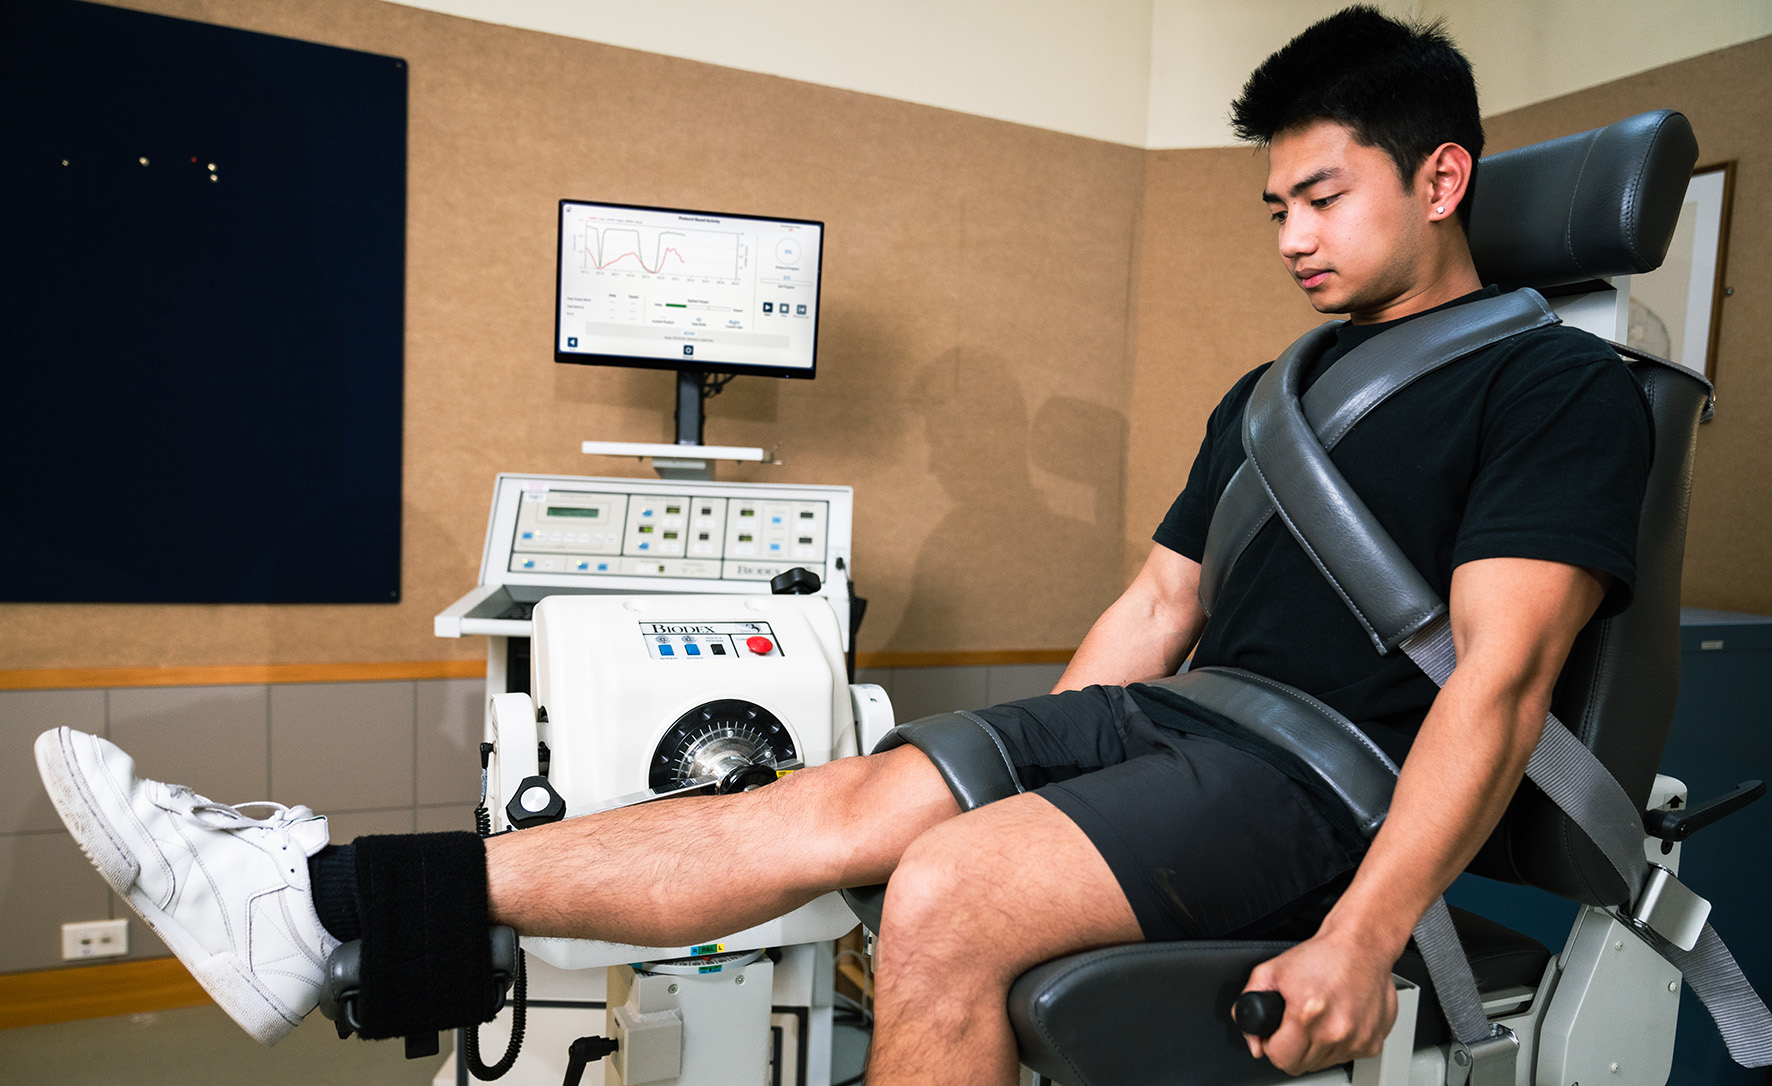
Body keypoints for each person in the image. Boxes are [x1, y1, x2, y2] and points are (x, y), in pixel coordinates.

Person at [34, 6, 1652, 1082]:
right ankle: (313, 897)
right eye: (1273, 209)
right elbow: (1162, 600)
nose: (1292, 239)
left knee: (944, 889)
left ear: (1442, 177)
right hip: (1176, 720)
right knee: (826, 805)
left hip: (1322, 778)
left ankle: (316, 901)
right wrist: (1051, 755)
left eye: (1323, 198)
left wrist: (1363, 936)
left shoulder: (1566, 387)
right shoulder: (1274, 385)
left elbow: (1498, 685)